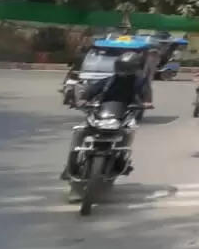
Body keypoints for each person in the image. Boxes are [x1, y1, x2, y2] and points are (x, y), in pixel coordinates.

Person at [62, 51, 152, 183]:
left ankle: (122, 158)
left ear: (135, 68)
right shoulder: (109, 81)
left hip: (125, 113)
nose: (123, 70)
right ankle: (71, 164)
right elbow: (91, 90)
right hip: (102, 113)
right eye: (121, 66)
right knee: (80, 130)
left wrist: (146, 103)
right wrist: (83, 99)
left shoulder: (140, 82)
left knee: (129, 130)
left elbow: (147, 96)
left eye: (126, 67)